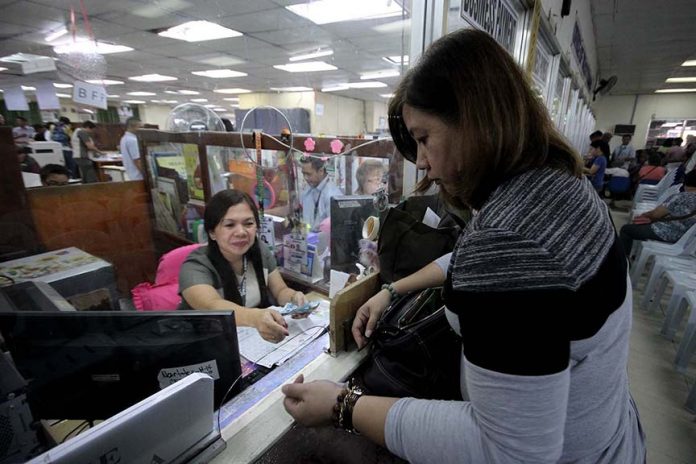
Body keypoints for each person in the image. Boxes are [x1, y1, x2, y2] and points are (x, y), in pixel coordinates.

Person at [282, 29, 645, 463]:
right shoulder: (559, 185)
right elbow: (486, 260)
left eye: (424, 137)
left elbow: (507, 453)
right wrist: (393, 289)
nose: (421, 162)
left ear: (476, 123)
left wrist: (343, 405)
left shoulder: (507, 243)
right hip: (611, 434)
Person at [179, 189, 307, 343]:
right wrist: (256, 317)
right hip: (207, 344)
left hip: (250, 341)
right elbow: (212, 306)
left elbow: (280, 290)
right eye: (229, 225)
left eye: (248, 223)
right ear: (212, 232)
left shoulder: (259, 250)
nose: (241, 232)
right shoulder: (195, 266)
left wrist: (293, 298)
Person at [620, 170, 696, 257]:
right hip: (687, 243)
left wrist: (643, 215)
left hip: (666, 233)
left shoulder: (681, 197)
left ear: (686, 182)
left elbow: (655, 214)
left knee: (626, 230)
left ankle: (623, 262)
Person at [300, 157, 343, 230]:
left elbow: (335, 230)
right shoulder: (308, 188)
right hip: (308, 237)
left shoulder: (332, 195)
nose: (305, 178)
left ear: (321, 171)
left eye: (308, 174)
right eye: (303, 174)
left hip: (322, 239)